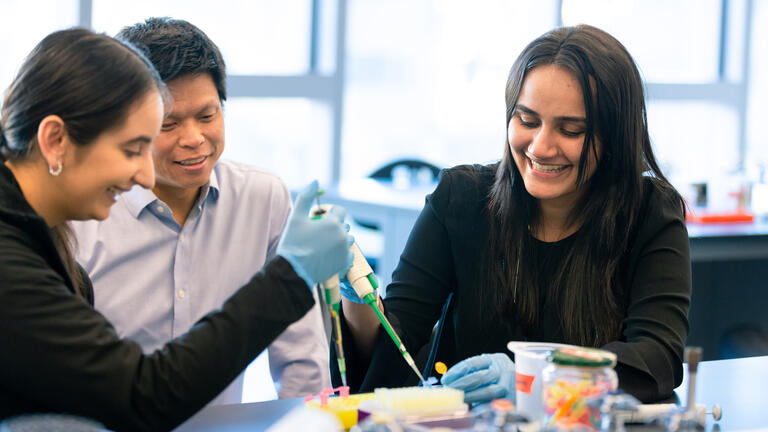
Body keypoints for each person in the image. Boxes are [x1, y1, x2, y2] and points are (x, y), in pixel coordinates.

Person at [0, 28, 352, 431]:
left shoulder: (33, 230)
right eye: (133, 149)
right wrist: (291, 274)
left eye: (207, 115)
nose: (144, 174)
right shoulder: (13, 263)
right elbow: (141, 394)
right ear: (55, 140)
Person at [336, 24, 691, 404]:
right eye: (527, 120)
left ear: (616, 137)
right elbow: (394, 348)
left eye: (570, 130)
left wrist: (538, 378)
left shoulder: (650, 213)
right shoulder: (461, 200)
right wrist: (357, 297)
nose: (540, 146)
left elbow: (657, 357)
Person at [71, 17, 330, 404]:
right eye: (168, 123)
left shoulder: (263, 198)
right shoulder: (80, 217)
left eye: (207, 116)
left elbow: (301, 359)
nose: (194, 140)